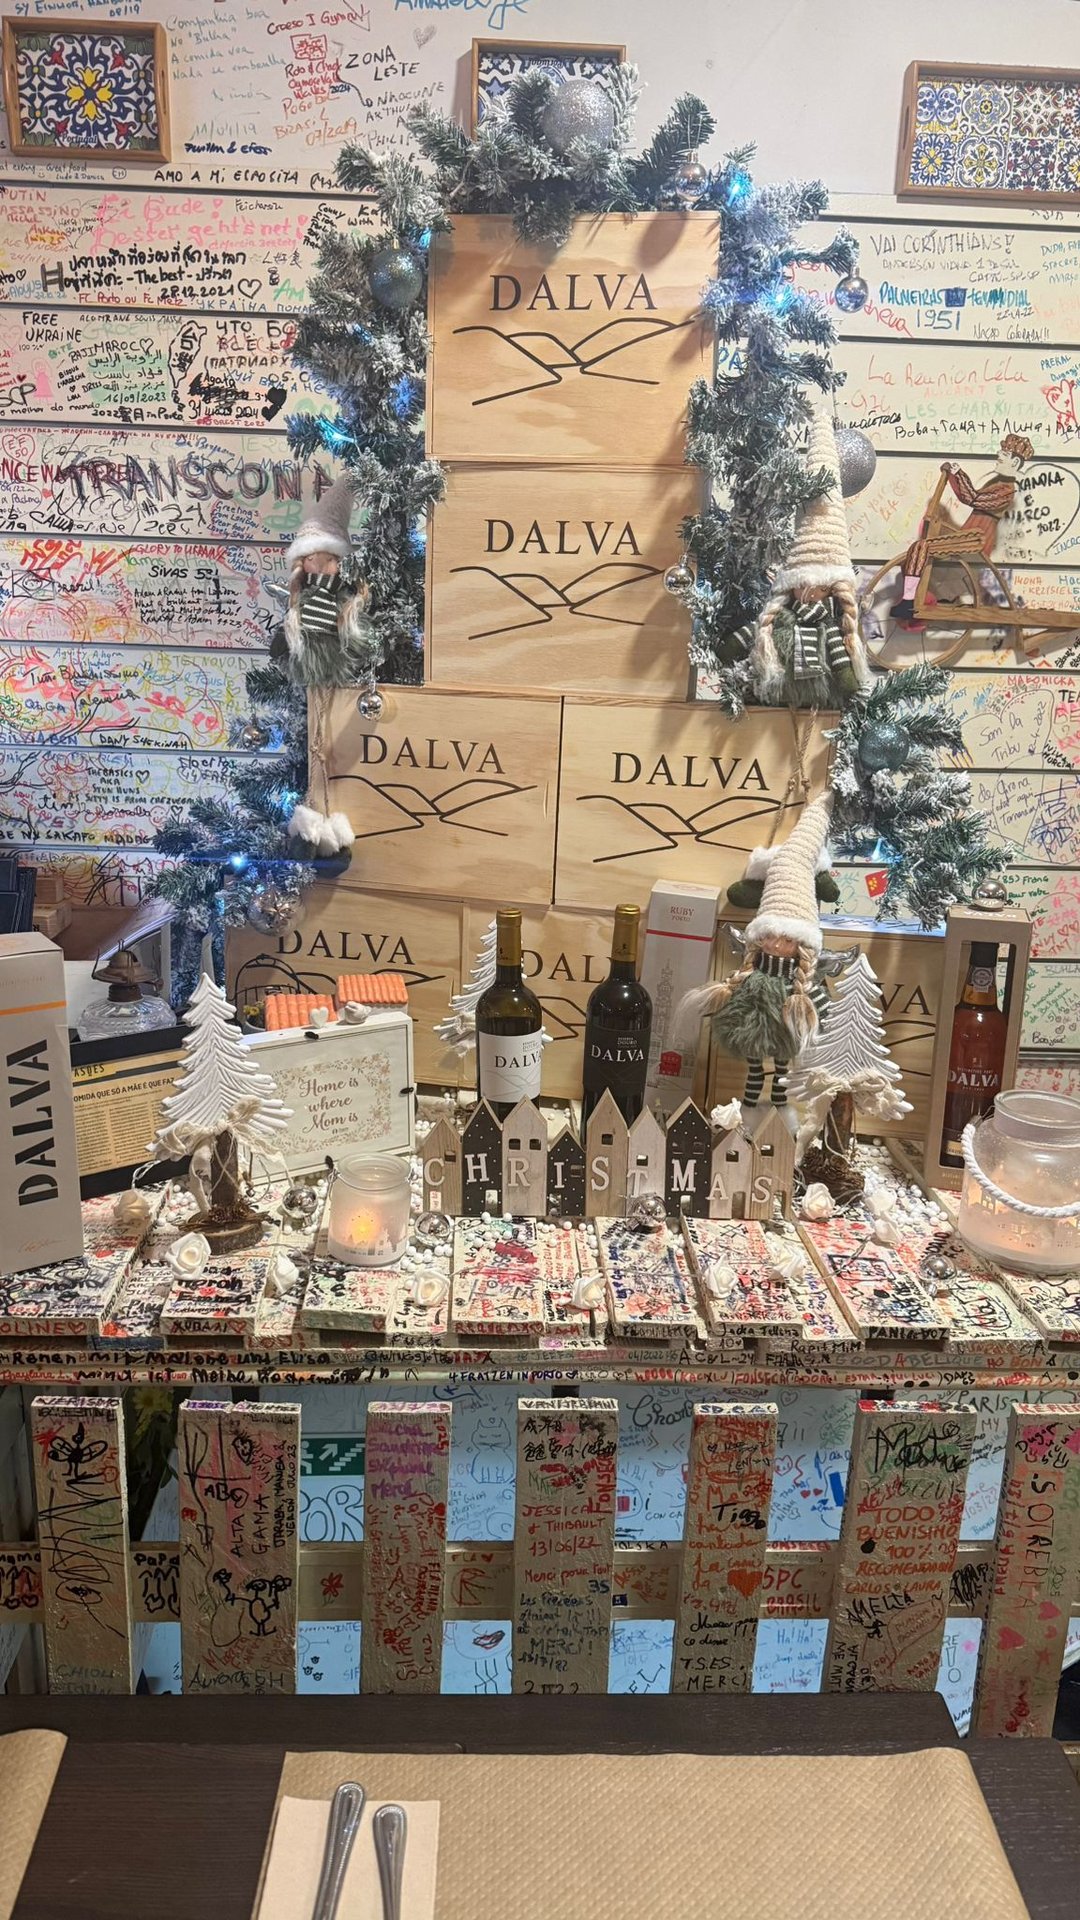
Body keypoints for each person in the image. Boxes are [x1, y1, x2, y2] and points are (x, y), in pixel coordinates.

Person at [890, 433, 1034, 622]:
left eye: (1004, 454)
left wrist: (958, 474)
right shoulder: (998, 482)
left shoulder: (1006, 491)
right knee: (920, 549)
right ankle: (917, 597)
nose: (999, 455)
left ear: (1014, 462)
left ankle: (909, 601)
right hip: (970, 534)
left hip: (977, 539)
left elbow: (973, 498)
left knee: (921, 547)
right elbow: (969, 496)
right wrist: (952, 476)